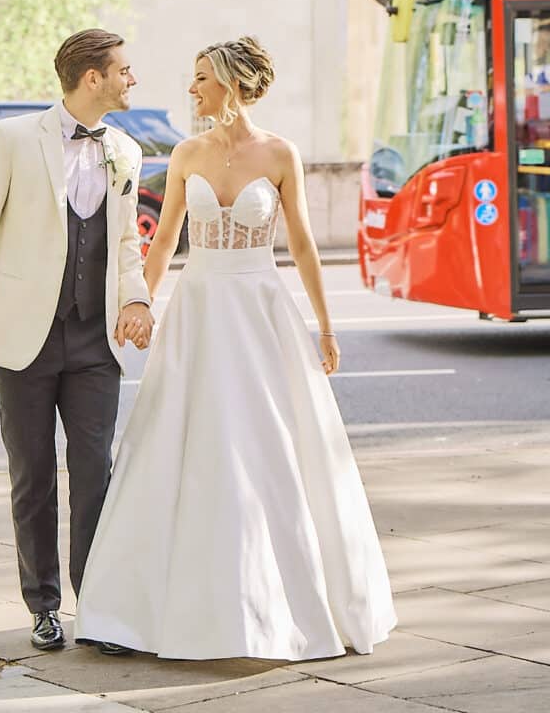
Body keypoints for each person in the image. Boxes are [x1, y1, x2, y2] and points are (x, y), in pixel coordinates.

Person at [75, 36, 397, 660]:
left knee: (269, 445)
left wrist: (326, 328)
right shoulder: (187, 153)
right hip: (198, 311)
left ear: (230, 82)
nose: (191, 89)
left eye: (201, 78)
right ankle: (136, 611)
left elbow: (302, 245)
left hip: (259, 311)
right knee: (181, 444)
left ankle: (282, 607)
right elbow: (164, 241)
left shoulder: (280, 153)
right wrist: (139, 303)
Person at [0, 29, 154, 654]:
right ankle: (43, 606)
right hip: (22, 334)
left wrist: (137, 298)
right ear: (93, 78)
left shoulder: (126, 150)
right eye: (123, 70)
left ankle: (100, 607)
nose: (132, 79)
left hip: (95, 341)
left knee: (95, 474)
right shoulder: (14, 138)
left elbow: (125, 240)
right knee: (32, 476)